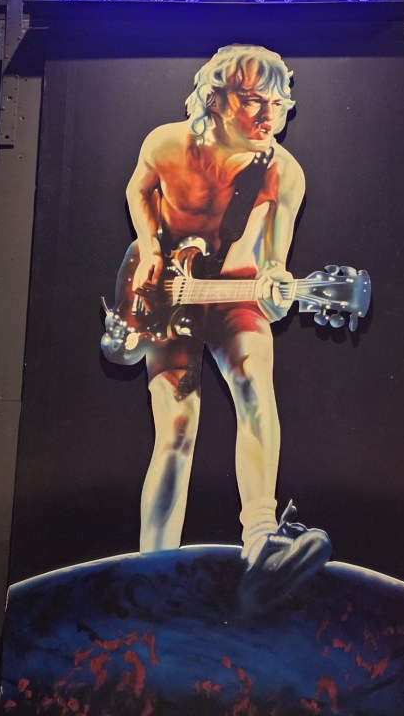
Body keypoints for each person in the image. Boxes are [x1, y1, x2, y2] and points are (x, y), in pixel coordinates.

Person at [102, 44, 330, 579]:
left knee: (256, 387)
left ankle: (261, 537)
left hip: (233, 293)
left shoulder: (284, 172)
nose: (268, 115)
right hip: (164, 291)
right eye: (253, 100)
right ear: (216, 96)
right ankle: (152, 570)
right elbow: (138, 188)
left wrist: (276, 290)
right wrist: (151, 250)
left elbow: (274, 263)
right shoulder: (166, 142)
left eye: (277, 102)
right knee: (176, 429)